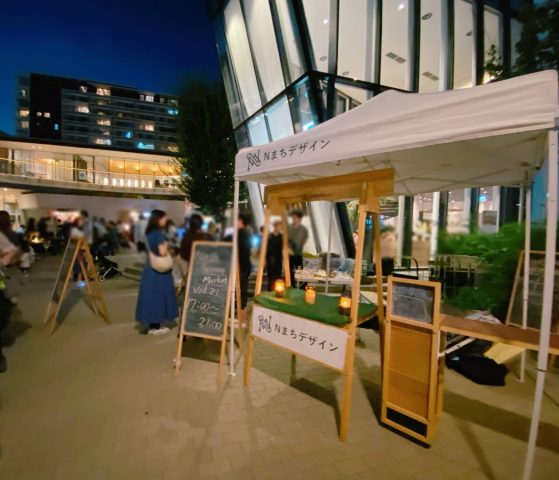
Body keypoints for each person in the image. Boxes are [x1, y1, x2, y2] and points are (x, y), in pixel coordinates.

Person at [135, 209, 178, 335]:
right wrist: (167, 244)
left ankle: (151, 325)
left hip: (150, 267)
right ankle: (155, 328)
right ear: (158, 219)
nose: (165, 220)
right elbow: (162, 252)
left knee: (150, 296)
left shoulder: (148, 233)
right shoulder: (159, 233)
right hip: (159, 271)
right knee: (159, 296)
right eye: (164, 218)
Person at [287, 210, 308, 283]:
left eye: (295, 217)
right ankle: (291, 286)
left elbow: (304, 240)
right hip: (289, 254)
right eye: (293, 217)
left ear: (299, 218)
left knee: (300, 272)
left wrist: (299, 244)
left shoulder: (303, 229)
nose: (293, 219)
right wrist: (288, 249)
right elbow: (285, 240)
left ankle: (301, 287)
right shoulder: (289, 228)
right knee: (290, 272)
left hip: (298, 254)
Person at [237, 212, 252, 310]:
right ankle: (241, 304)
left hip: (242, 265)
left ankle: (241, 305)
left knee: (242, 285)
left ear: (241, 221)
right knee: (243, 285)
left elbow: (245, 252)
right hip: (244, 265)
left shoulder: (243, 234)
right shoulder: (244, 233)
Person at [266, 220, 283, 291]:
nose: (280, 228)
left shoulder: (282, 237)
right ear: (275, 226)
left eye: (281, 226)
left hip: (279, 260)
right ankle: (270, 292)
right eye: (279, 226)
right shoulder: (269, 236)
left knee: (278, 279)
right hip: (270, 260)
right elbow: (266, 249)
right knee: (270, 279)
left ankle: (277, 293)